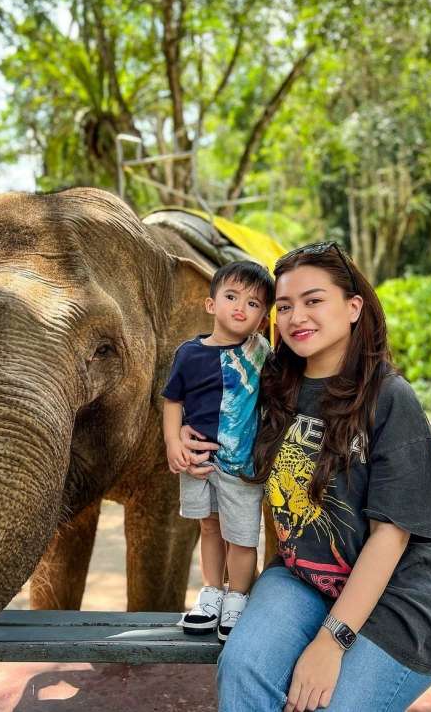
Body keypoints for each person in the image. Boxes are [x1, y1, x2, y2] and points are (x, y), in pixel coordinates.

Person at [182, 243, 431, 711]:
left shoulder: (390, 398)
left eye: (313, 300)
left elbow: (390, 539)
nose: (296, 317)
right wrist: (188, 443)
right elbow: (211, 408)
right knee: (242, 668)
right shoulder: (272, 387)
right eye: (285, 306)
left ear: (353, 307)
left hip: (396, 598)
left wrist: (331, 643)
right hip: (302, 578)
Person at [162, 260, 275, 641]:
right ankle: (211, 593)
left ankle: (238, 597)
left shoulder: (260, 353)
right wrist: (173, 442)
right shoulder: (189, 354)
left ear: (262, 319)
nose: (241, 307)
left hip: (242, 464)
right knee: (208, 527)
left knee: (242, 535)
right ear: (211, 305)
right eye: (231, 296)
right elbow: (172, 402)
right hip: (198, 463)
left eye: (254, 303)